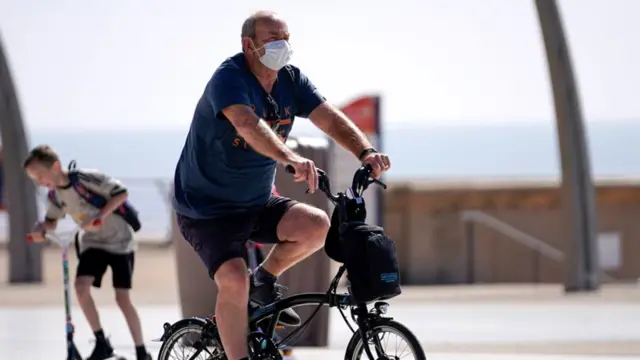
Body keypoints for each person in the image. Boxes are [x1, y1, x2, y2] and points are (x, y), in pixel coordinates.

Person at [172, 10, 391, 360]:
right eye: (273, 39)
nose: (283, 46)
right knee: (233, 280)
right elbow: (246, 124)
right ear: (249, 44)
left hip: (256, 202)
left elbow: (329, 118)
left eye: (286, 38)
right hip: (207, 209)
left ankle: (265, 279)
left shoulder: (291, 80)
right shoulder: (229, 79)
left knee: (318, 226)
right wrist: (289, 157)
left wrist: (365, 151)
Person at [24, 145, 152, 360]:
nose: (39, 182)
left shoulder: (85, 179)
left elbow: (121, 193)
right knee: (81, 287)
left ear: (55, 166)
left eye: (40, 175)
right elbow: (51, 221)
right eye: (34, 178)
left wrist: (101, 215)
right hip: (93, 243)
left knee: (122, 298)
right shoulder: (55, 196)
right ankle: (102, 342)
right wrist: (41, 229)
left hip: (120, 242)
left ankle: (141, 351)